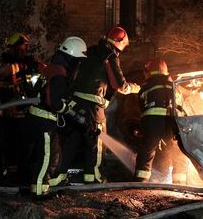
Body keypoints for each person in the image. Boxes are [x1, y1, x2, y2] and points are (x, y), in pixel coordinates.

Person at [50, 26, 140, 185]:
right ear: (119, 42)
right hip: (94, 107)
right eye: (124, 46)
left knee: (71, 141)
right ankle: (95, 178)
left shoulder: (89, 51)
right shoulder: (110, 55)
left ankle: (58, 176)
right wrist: (136, 88)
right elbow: (120, 85)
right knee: (96, 142)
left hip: (74, 104)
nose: (123, 49)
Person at [25, 36, 87, 195]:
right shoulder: (59, 73)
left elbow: (60, 96)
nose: (78, 65)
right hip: (44, 120)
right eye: (78, 60)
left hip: (40, 119)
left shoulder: (52, 69)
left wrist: (76, 110)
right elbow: (55, 103)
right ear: (72, 58)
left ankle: (48, 186)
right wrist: (73, 114)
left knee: (53, 155)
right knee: (45, 157)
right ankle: (38, 192)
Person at [0, 32, 44, 184]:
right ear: (12, 48)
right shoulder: (1, 65)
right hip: (8, 117)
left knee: (27, 149)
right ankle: (10, 179)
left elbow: (41, 75)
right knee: (10, 149)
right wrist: (23, 65)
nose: (25, 50)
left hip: (26, 113)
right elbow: (2, 72)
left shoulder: (29, 64)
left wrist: (37, 66)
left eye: (26, 47)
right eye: (22, 47)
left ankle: (24, 176)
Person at [134, 58, 188, 184]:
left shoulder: (146, 87)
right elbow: (181, 106)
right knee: (177, 150)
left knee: (147, 150)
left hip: (153, 122)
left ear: (148, 72)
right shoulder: (175, 87)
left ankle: (140, 181)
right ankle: (180, 184)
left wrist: (142, 127)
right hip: (173, 122)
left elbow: (142, 108)